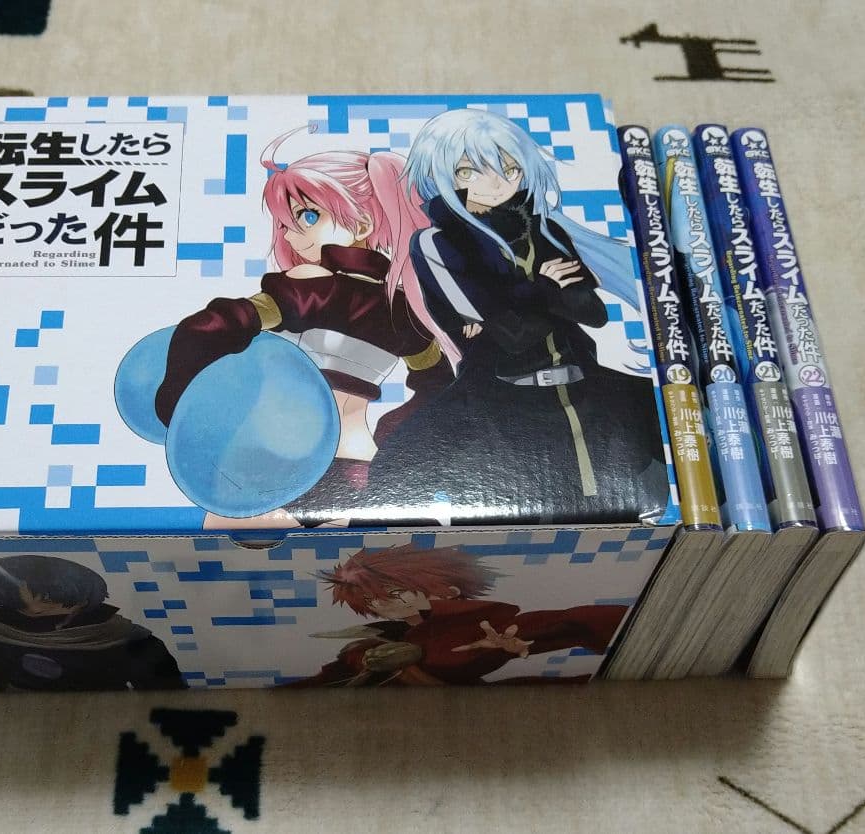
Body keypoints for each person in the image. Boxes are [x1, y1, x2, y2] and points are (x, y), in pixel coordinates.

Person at [362, 109, 669, 526]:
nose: (496, 182)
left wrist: (511, 300)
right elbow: (512, 334)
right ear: (443, 175)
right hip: (499, 402)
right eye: (471, 170)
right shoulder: (437, 243)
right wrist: (544, 289)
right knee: (400, 469)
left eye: (509, 169)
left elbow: (593, 313)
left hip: (586, 388)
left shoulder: (547, 231)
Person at [154, 129, 452, 528]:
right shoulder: (405, 307)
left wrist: (177, 401)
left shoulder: (309, 285)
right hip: (359, 463)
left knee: (224, 553)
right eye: (284, 223)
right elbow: (439, 389)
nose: (292, 234)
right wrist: (391, 434)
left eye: (308, 216)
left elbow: (210, 328)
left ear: (363, 221)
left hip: (279, 461)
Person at [286, 544, 627, 686]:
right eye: (369, 600)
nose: (380, 604)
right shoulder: (385, 632)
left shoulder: (477, 621)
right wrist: (364, 657)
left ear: (445, 592)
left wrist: (498, 647)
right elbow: (334, 674)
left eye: (392, 594)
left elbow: (567, 623)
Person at [0, 554, 186, 691]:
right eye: (19, 602)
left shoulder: (128, 639)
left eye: (48, 599)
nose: (35, 609)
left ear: (82, 598)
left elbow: (166, 688)